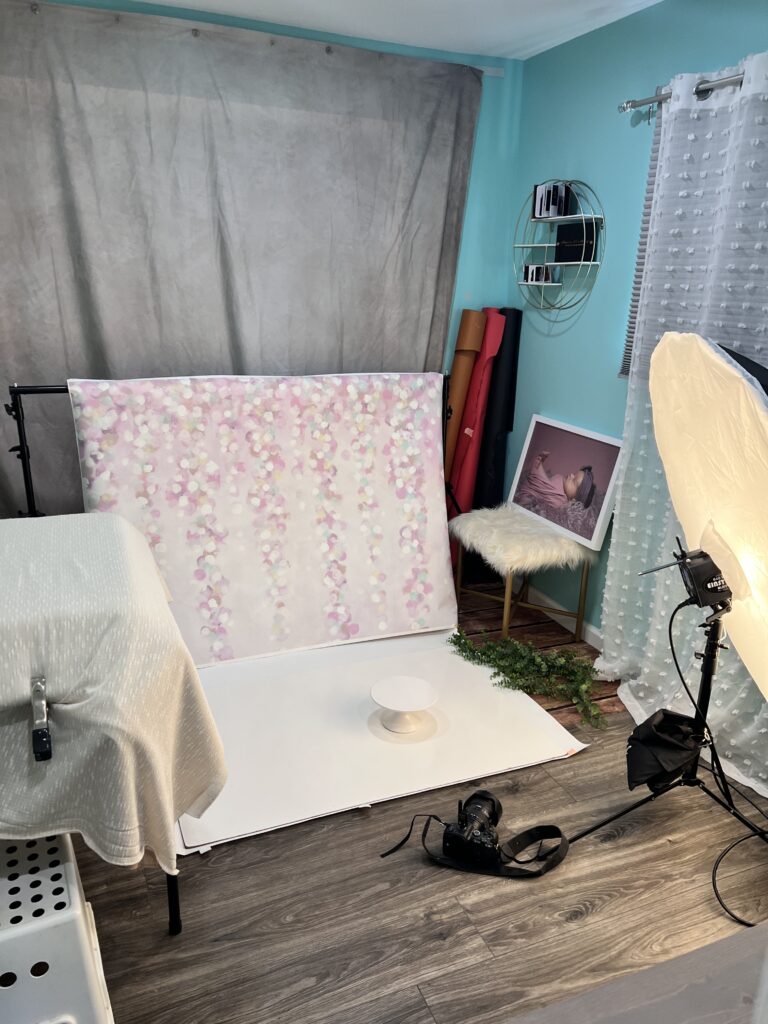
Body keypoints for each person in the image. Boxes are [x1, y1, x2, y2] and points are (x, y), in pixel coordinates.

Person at [516, 451, 595, 510]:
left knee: (525, 502)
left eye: (574, 480)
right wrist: (540, 466)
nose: (571, 475)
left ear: (574, 499)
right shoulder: (561, 478)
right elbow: (545, 482)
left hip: (529, 495)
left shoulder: (562, 501)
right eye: (574, 474)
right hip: (531, 488)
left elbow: (558, 506)